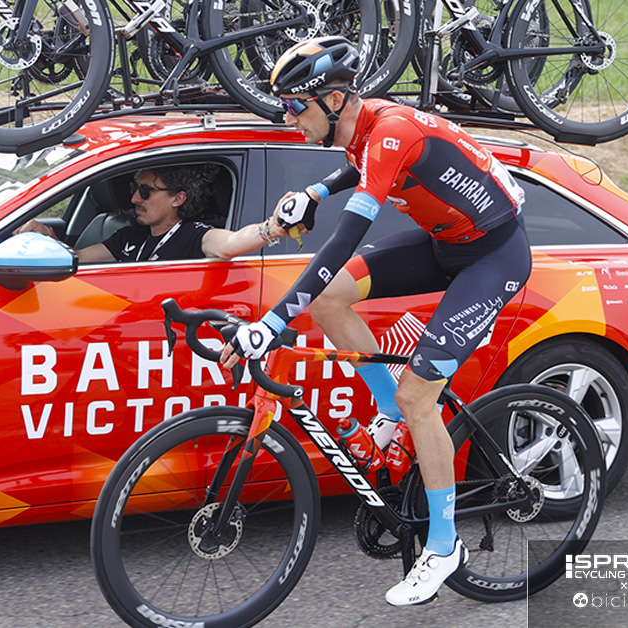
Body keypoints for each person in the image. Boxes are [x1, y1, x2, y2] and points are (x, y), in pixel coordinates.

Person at [219, 36, 532, 606]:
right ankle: (387, 409)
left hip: (494, 257)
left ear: (334, 98)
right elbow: (355, 168)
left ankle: (443, 546)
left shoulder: (392, 132)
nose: (290, 118)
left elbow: (341, 242)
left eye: (296, 105)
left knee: (422, 398)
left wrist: (269, 322)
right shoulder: (361, 129)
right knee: (329, 300)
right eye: (285, 106)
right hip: (446, 244)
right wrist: (314, 191)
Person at [16, 165, 287, 262]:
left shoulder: (194, 235)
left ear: (178, 198)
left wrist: (272, 228)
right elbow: (77, 258)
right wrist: (46, 236)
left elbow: (230, 245)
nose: (135, 198)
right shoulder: (129, 236)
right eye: (136, 189)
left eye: (146, 192)